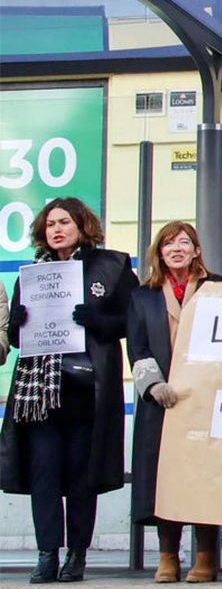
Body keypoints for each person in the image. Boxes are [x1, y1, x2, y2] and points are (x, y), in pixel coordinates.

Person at [1, 198, 139, 584]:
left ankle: (77, 554)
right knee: (43, 474)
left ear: (82, 225)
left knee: (81, 475)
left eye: (64, 222)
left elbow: (133, 320)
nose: (56, 229)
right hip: (39, 393)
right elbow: (14, 338)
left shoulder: (110, 266)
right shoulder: (32, 273)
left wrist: (99, 321)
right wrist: (19, 324)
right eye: (50, 224)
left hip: (85, 389)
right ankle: (47, 554)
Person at [126, 222, 222, 583]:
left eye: (184, 242)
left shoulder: (220, 288)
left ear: (197, 250)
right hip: (162, 403)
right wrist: (153, 385)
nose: (177, 249)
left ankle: (206, 556)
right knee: (163, 479)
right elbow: (136, 349)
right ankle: (168, 555)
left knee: (204, 478)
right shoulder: (143, 296)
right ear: (160, 253)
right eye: (169, 244)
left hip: (208, 400)